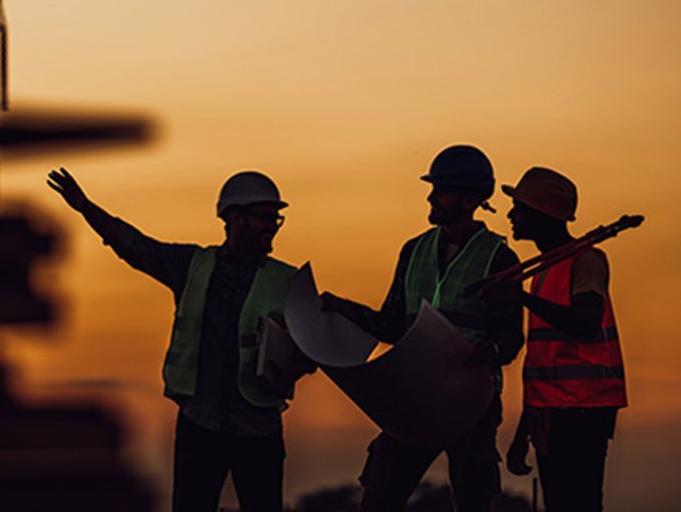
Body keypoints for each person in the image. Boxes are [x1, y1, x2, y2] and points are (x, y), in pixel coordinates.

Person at [47, 168, 306, 512]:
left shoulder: (289, 282)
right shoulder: (192, 266)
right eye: (264, 217)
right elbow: (135, 247)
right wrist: (86, 207)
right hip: (201, 426)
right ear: (235, 218)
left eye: (276, 219)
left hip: (257, 429)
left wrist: (292, 365)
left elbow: (315, 349)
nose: (272, 226)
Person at [321, 145, 524, 512]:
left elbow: (511, 338)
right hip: (415, 396)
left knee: (473, 499)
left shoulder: (500, 258)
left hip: (471, 403)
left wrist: (490, 351)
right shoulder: (413, 251)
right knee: (380, 497)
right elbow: (392, 325)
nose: (431, 196)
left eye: (441, 189)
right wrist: (343, 309)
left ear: (469, 199)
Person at [493, 167, 627, 512]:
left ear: (542, 215)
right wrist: (525, 428)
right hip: (553, 412)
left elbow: (585, 323)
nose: (511, 215)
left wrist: (520, 298)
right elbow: (544, 363)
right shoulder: (545, 270)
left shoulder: (586, 260)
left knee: (578, 503)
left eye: (519, 208)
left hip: (582, 412)